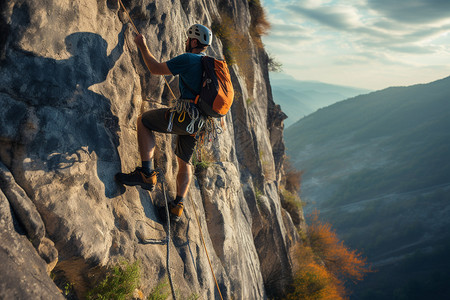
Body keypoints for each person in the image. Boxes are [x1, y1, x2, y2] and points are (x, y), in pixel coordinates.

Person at [115, 24, 213, 221]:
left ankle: (146, 173)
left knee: (144, 121)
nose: (186, 42)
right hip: (201, 122)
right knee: (184, 161)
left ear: (194, 41)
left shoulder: (189, 59)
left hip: (185, 116)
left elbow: (155, 68)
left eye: (188, 39)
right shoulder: (209, 64)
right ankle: (177, 206)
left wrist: (142, 45)